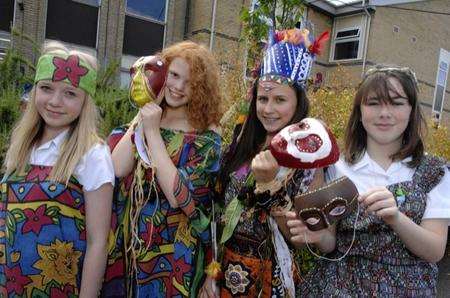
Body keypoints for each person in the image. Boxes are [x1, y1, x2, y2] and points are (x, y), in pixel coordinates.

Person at [204, 28, 334, 298]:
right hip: (223, 270)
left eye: (280, 100)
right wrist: (211, 273)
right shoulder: (241, 144)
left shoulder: (310, 159)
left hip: (270, 278)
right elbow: (219, 212)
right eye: (263, 99)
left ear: (298, 103)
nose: (268, 109)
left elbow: (299, 237)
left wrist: (269, 185)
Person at [298, 65, 450, 296]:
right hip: (338, 288)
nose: (384, 113)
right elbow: (331, 243)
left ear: (412, 110)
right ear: (359, 111)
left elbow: (435, 250)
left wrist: (397, 219)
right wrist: (319, 236)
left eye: (397, 103)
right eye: (373, 103)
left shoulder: (434, 172)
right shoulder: (337, 166)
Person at [105, 41, 222, 297]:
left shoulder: (205, 138)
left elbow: (178, 195)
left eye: (190, 82)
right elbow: (117, 168)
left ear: (201, 89)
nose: (179, 87)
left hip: (173, 253)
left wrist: (153, 132)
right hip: (131, 248)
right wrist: (145, 110)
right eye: (174, 75)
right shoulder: (147, 118)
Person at [0, 41, 114, 297]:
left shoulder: (92, 154)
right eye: (46, 88)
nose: (55, 101)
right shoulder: (22, 147)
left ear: (85, 101)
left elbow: (98, 243)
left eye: (70, 93)